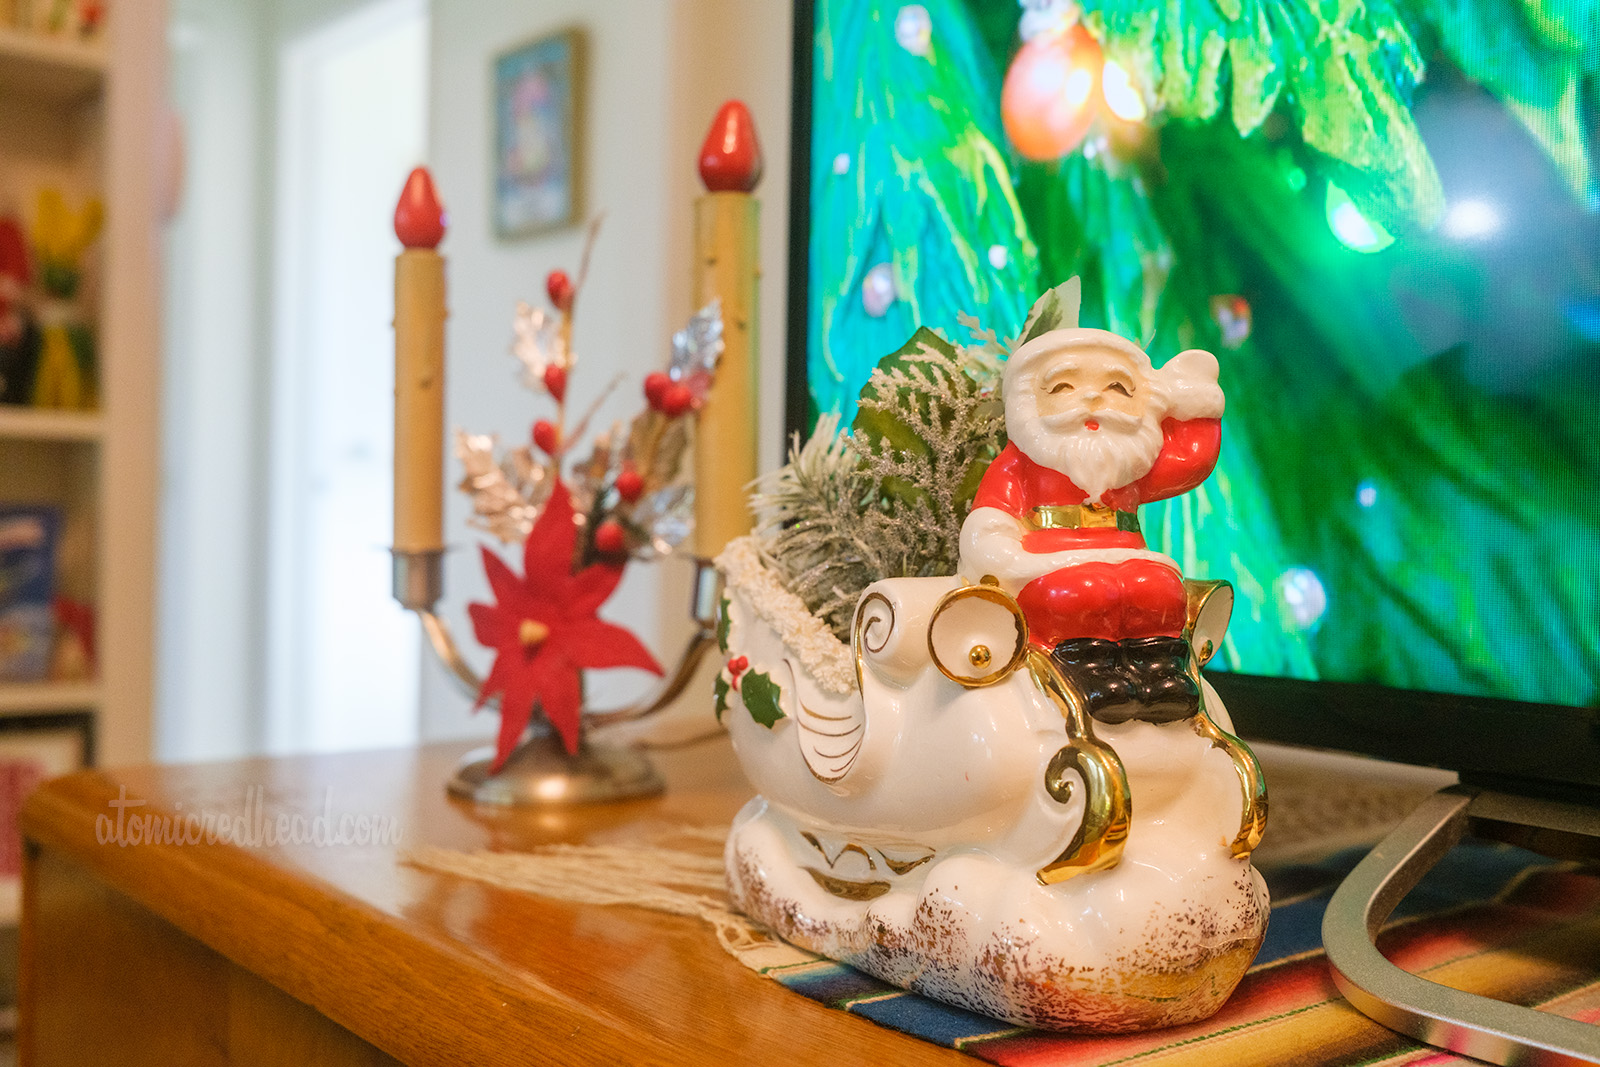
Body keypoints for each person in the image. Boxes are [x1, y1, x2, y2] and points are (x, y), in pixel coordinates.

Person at [959, 327, 1224, 722]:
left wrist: (1194, 403)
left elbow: (1190, 462)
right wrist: (998, 546)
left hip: (1127, 552)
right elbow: (993, 511)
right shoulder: (1022, 463)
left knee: (1159, 590)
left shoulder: (1130, 461)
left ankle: (1161, 675)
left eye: (1117, 387)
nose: (1093, 398)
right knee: (1081, 594)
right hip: (1051, 561)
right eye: (1063, 386)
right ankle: (1091, 675)